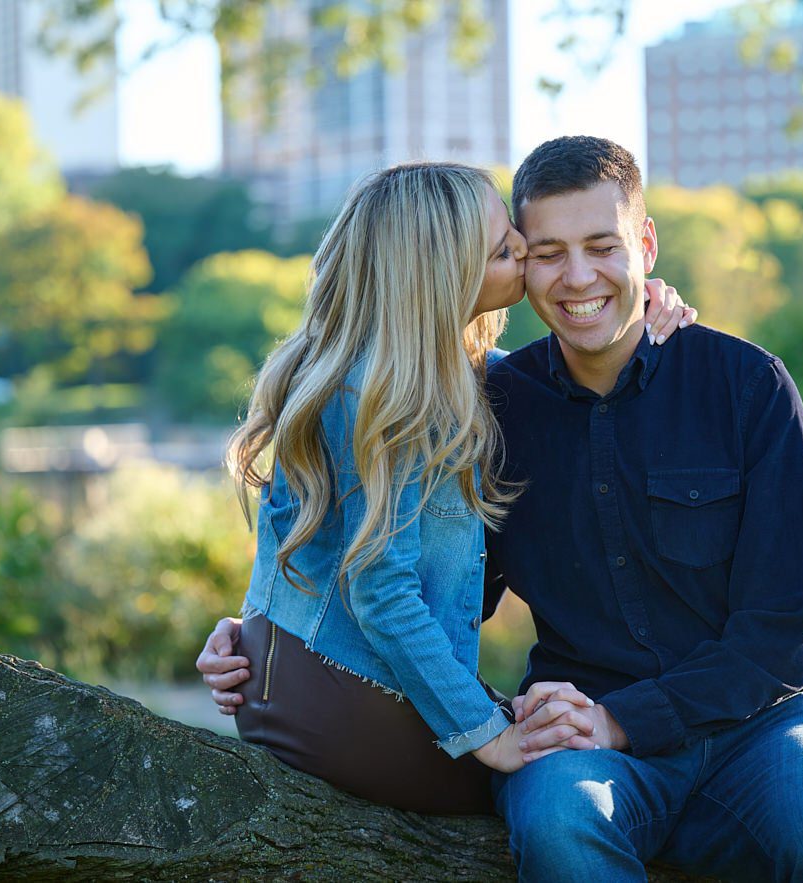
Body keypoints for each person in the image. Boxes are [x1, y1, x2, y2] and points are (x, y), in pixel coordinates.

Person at [200, 137, 803, 881]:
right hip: (573, 726)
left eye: (603, 247)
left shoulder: (746, 385)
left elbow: (784, 631)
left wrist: (624, 720)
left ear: (647, 244)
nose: (578, 276)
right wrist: (265, 632)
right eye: (542, 251)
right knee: (561, 825)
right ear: (518, 266)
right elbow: (419, 568)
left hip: (763, 725)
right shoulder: (489, 409)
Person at [213, 160, 695, 817]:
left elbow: (310, 546)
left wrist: (637, 296)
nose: (525, 251)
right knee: (577, 771)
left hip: (301, 680)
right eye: (504, 249)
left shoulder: (416, 375)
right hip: (350, 703)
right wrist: (488, 735)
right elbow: (381, 593)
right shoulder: (386, 394)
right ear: (444, 277)